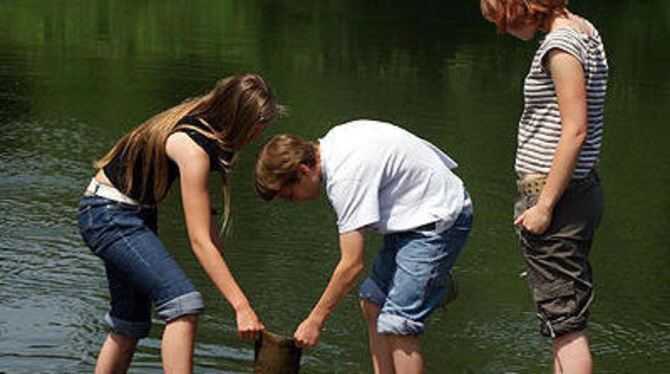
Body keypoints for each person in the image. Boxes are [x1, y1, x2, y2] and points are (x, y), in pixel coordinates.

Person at [76, 73, 279, 373]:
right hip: (109, 215)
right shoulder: (193, 147)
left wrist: (234, 291)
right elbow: (198, 241)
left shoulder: (208, 126)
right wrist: (241, 307)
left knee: (128, 326)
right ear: (239, 117)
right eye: (258, 126)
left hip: (129, 213)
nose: (258, 135)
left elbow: (208, 231)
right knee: (184, 303)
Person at [254, 119, 473, 374]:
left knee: (398, 322)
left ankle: (431, 281)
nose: (293, 202)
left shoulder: (345, 179)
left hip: (439, 217)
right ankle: (428, 284)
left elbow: (351, 265)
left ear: (303, 171)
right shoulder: (330, 144)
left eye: (290, 195)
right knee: (373, 304)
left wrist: (315, 321)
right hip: (410, 214)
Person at [480, 1, 608, 373]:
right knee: (562, 322)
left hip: (556, 198)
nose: (502, 30)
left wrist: (544, 206)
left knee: (566, 325)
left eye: (499, 18)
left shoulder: (561, 46)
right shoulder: (585, 30)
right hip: (578, 191)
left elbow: (575, 130)